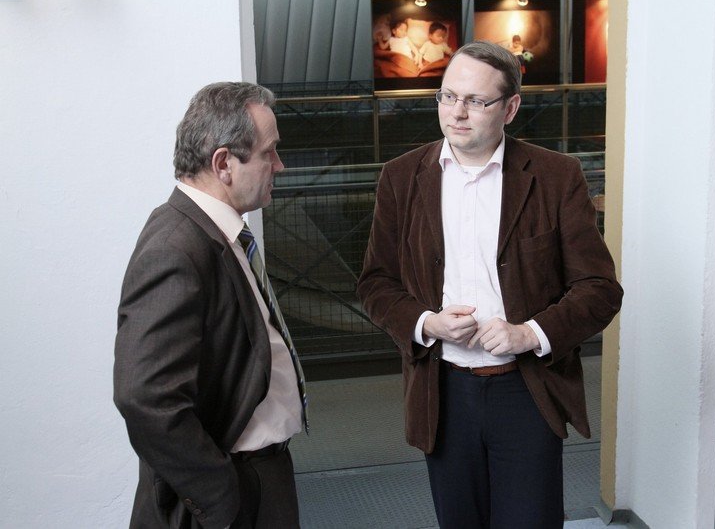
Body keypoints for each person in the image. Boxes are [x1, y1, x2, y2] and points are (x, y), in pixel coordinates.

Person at [357, 41, 622, 528]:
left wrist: (529, 333)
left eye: (476, 101)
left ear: (510, 108)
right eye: (448, 96)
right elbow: (376, 283)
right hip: (442, 392)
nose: (457, 113)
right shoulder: (400, 177)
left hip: (527, 389)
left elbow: (600, 289)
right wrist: (426, 323)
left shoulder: (556, 176)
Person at [114, 82, 307, 529]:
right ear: (223, 164)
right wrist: (221, 496)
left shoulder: (217, 231)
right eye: (269, 153)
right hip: (232, 491)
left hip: (261, 476)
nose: (279, 165)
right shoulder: (176, 247)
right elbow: (144, 397)